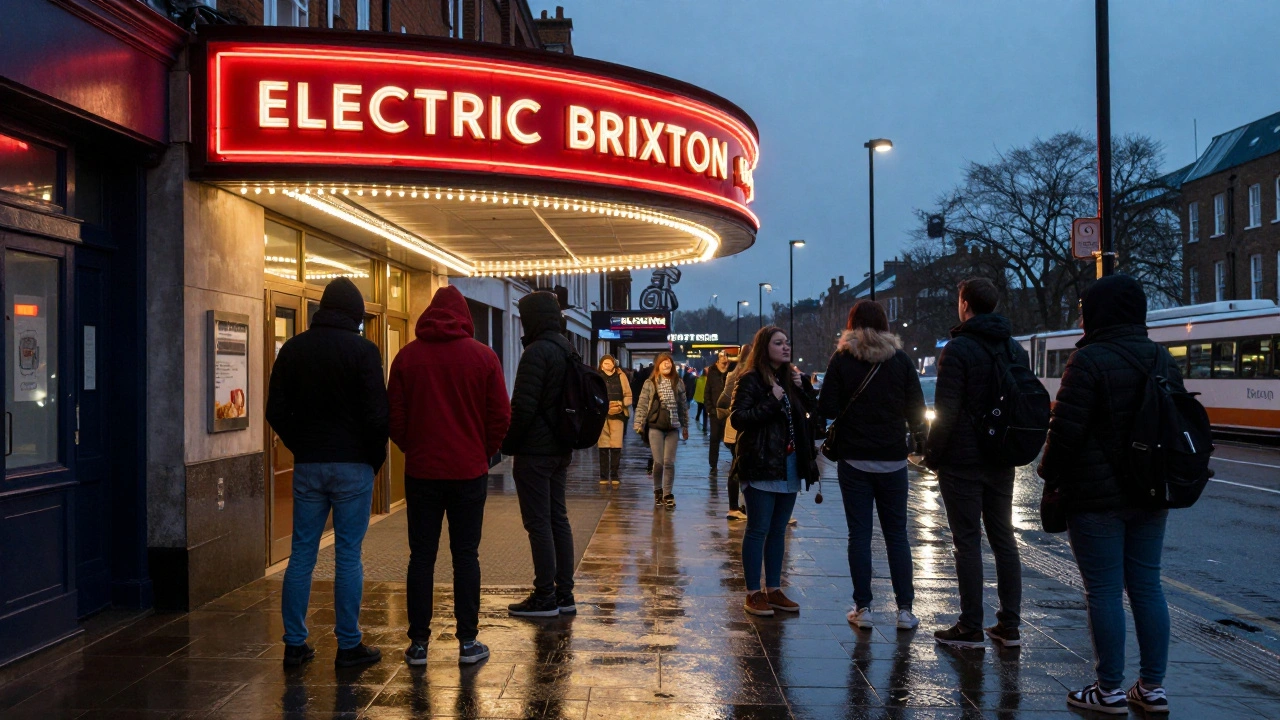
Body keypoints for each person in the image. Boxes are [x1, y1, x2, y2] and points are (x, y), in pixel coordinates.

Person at [1038, 275, 1177, 715]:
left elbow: (1065, 431)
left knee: (1102, 592)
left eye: (1085, 308)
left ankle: (1109, 690)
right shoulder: (1160, 357)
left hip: (1096, 499)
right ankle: (1151, 688)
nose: (1081, 316)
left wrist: (1049, 474)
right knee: (1148, 588)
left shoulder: (1089, 359)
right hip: (1151, 491)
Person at [266, 277, 389, 668]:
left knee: (302, 554)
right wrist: (373, 460)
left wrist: (301, 445)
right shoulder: (364, 352)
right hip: (353, 465)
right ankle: (349, 645)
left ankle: (294, 644)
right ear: (354, 315)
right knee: (348, 555)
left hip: (309, 464)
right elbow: (376, 416)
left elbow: (275, 410)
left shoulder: (294, 349)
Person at [387, 286, 509, 667]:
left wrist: (413, 447)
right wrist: (482, 450)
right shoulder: (483, 357)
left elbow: (395, 416)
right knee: (466, 555)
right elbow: (501, 416)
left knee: (420, 556)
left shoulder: (407, 358)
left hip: (422, 471)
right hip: (468, 472)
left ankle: (419, 644)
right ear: (465, 317)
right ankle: (468, 641)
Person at [924, 277, 1030, 648]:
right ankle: (1009, 624)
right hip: (1002, 458)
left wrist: (931, 456)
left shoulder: (959, 349)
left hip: (963, 461)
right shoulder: (1015, 349)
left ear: (965, 304)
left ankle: (970, 625)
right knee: (1004, 538)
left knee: (966, 541)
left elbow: (946, 411)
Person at [818, 300, 927, 632]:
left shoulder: (842, 360)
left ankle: (863, 607)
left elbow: (828, 406)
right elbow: (917, 409)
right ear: (884, 326)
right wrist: (919, 444)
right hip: (893, 460)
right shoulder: (901, 361)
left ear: (852, 325)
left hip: (854, 460)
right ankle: (905, 610)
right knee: (897, 536)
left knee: (860, 535)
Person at [731, 326, 818, 616]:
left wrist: (805, 388)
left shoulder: (791, 380)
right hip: (760, 464)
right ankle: (753, 593)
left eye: (787, 343)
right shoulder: (751, 379)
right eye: (778, 343)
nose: (785, 347)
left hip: (789, 465)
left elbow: (813, 421)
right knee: (758, 529)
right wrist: (772, 400)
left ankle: (774, 589)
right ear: (764, 347)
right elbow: (738, 419)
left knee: (778, 531)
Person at [501, 291, 578, 618]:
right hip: (561, 447)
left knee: (538, 523)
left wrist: (508, 444)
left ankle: (544, 595)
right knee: (558, 519)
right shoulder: (567, 348)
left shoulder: (536, 352)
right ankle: (564, 593)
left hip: (535, 451)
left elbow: (523, 407)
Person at [634, 352, 689, 509]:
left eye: (669, 362)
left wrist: (685, 426)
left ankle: (668, 494)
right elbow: (643, 404)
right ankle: (657, 490)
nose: (667, 364)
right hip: (655, 426)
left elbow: (683, 407)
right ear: (658, 365)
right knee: (658, 462)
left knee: (669, 462)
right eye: (664, 362)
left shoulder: (678, 382)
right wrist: (638, 423)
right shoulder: (650, 383)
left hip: (673, 427)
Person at [716, 344, 750, 519]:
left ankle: (744, 506)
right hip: (737, 428)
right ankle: (734, 507)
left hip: (745, 428)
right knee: (738, 465)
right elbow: (722, 403)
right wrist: (737, 413)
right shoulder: (735, 376)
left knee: (744, 465)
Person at [596, 354, 632, 484]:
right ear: (601, 365)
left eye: (609, 363)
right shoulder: (597, 376)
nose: (607, 365)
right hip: (602, 414)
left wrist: (621, 405)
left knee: (616, 445)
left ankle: (615, 474)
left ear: (614, 363)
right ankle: (603, 476)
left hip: (618, 412)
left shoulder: (621, 376)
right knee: (603, 445)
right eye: (605, 363)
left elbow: (628, 393)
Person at [705, 352, 731, 475]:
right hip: (715, 412)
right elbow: (707, 392)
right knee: (714, 438)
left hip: (729, 412)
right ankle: (713, 465)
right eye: (721, 357)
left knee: (730, 440)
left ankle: (736, 461)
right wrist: (710, 409)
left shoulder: (732, 372)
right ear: (717, 361)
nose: (724, 359)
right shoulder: (712, 373)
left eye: (726, 356)